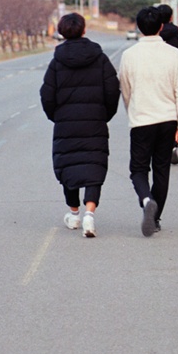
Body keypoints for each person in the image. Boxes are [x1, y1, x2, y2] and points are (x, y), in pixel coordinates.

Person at [40, 12, 120, 237]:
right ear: (84, 30)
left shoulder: (57, 62)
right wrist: (104, 114)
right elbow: (112, 90)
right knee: (94, 165)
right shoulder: (100, 58)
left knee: (69, 165)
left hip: (66, 123)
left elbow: (47, 95)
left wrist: (56, 116)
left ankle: (74, 214)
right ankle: (89, 215)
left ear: (61, 32)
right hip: (94, 120)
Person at [119, 6, 178, 237]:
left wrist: (133, 111)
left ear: (139, 27)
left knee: (138, 169)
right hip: (168, 119)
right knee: (161, 169)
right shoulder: (174, 54)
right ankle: (156, 218)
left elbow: (126, 90)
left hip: (141, 119)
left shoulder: (129, 55)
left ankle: (146, 199)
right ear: (161, 26)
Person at [156, 4, 178, 165]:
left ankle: (159, 146)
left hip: (157, 80)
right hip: (176, 79)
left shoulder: (156, 37)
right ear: (171, 17)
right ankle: (172, 146)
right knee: (174, 113)